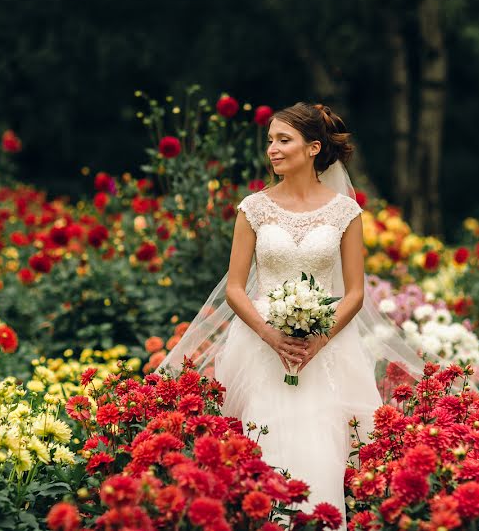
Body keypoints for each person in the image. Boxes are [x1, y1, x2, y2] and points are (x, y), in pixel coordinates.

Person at [157, 102, 425, 528]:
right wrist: (270, 335)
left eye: (284, 140)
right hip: (260, 346)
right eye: (270, 141)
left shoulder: (344, 212)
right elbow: (235, 288)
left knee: (322, 449)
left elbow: (354, 293)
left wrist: (318, 341)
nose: (273, 150)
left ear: (313, 147)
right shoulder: (254, 209)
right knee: (261, 446)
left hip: (327, 348)